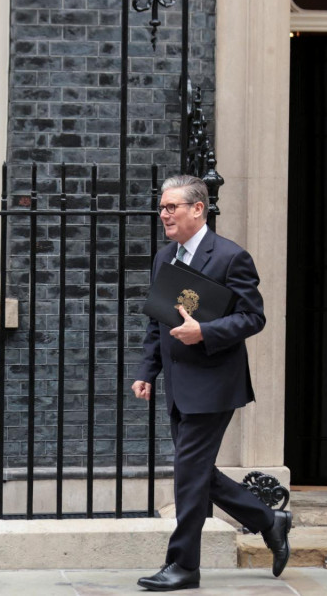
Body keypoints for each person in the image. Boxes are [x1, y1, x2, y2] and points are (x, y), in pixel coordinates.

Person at [131, 175, 292, 591]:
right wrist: (147, 371)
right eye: (162, 207)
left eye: (172, 207)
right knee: (196, 470)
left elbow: (253, 318)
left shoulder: (230, 257)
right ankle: (268, 518)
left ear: (198, 209)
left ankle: (183, 565)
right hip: (177, 383)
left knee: (188, 473)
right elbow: (158, 319)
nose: (163, 213)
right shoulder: (165, 256)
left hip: (214, 382)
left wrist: (205, 332)